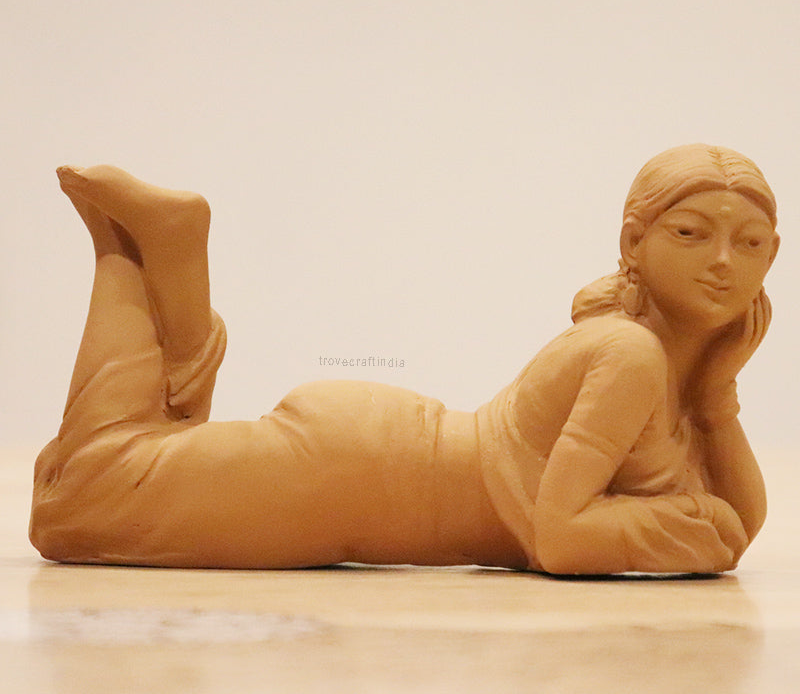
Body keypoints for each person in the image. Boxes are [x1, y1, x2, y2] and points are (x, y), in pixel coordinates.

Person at [29, 144, 779, 575]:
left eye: (749, 244)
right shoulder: (629, 353)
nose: (723, 263)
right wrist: (697, 526)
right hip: (355, 479)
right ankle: (134, 250)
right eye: (691, 234)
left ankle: (166, 266)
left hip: (369, 466)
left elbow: (742, 524)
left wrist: (718, 396)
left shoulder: (669, 368)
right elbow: (560, 536)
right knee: (79, 502)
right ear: (633, 243)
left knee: (109, 475)